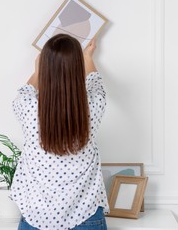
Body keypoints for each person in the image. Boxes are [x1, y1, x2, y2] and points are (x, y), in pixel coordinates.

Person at [11, 34, 109, 230]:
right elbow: (96, 86)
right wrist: (88, 57)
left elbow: (24, 92)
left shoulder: (27, 107)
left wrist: (39, 69)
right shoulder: (93, 107)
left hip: (35, 217)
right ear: (77, 68)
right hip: (86, 217)